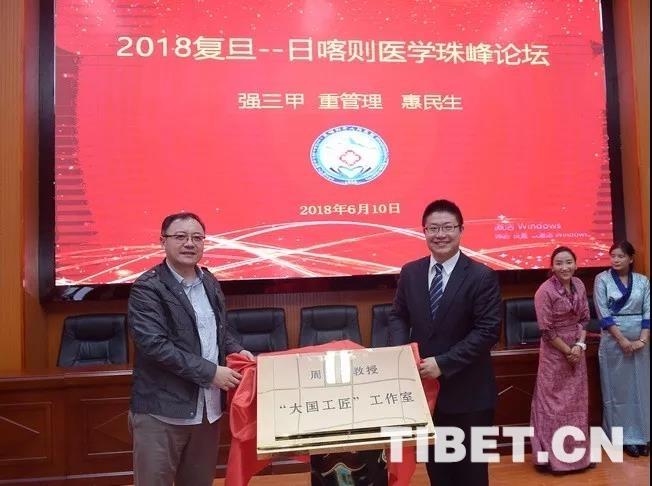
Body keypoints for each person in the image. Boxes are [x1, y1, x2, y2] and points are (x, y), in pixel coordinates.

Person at [128, 212, 254, 486]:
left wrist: (236, 350)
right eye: (180, 237)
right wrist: (211, 373)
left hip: (207, 411)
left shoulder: (209, 280)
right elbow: (154, 345)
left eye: (197, 238)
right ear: (163, 241)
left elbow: (219, 330)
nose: (189, 243)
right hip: (162, 411)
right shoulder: (148, 288)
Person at [388, 199, 501, 486]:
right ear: (424, 231)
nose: (440, 235)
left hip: (470, 395)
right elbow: (398, 315)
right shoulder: (410, 272)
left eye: (448, 227)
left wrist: (444, 363)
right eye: (433, 228)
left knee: (471, 475)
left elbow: (487, 331)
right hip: (426, 396)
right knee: (438, 473)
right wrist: (402, 354)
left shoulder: (481, 276)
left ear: (461, 230)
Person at [530, 246, 591, 473]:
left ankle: (578, 455)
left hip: (577, 350)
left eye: (568, 262)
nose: (564, 267)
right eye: (559, 263)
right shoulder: (544, 291)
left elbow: (584, 319)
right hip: (554, 354)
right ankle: (551, 458)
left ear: (576, 264)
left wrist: (579, 346)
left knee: (577, 404)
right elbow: (546, 330)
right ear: (552, 267)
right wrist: (568, 351)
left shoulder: (580, 285)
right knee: (553, 406)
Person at [593, 240, 650, 457]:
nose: (616, 260)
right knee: (618, 390)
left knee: (642, 388)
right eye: (613, 256)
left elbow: (648, 312)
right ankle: (624, 438)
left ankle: (643, 435)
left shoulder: (643, 281)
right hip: (614, 341)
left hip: (640, 342)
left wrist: (642, 340)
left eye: (621, 256)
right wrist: (623, 340)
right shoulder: (602, 279)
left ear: (631, 258)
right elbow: (603, 313)